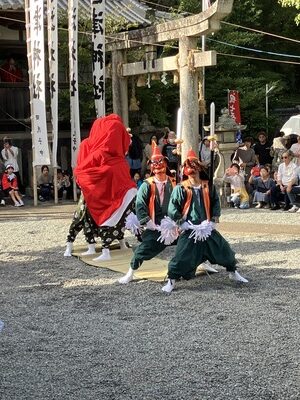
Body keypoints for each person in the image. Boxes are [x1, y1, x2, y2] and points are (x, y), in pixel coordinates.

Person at [162, 149, 248, 294]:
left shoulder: (208, 186)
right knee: (181, 257)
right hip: (190, 229)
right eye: (190, 172)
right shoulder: (180, 188)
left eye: (195, 171)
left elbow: (215, 203)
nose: (193, 174)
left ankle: (233, 272)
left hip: (207, 227)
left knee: (224, 250)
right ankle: (171, 280)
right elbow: (172, 208)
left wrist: (214, 219)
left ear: (199, 170)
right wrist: (181, 222)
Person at [74, 114, 137, 261]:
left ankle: (105, 250)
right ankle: (118, 246)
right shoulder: (119, 159)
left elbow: (82, 170)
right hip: (126, 192)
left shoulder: (98, 152)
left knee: (101, 219)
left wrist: (82, 179)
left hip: (105, 196)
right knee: (121, 220)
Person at [118, 144, 177, 284]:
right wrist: (147, 221)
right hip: (155, 225)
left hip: (174, 225)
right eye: (154, 163)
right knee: (143, 249)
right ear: (151, 166)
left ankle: (200, 263)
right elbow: (140, 205)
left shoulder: (175, 182)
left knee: (192, 242)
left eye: (161, 162)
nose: (158, 166)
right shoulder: (146, 185)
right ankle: (131, 272)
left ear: (166, 163)